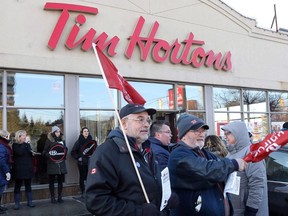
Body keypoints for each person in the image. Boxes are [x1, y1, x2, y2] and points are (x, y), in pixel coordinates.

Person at [86, 104, 178, 216]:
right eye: (140, 120)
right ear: (124, 123)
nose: (146, 124)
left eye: (148, 120)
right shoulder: (106, 153)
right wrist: (138, 212)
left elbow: (152, 184)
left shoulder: (147, 149)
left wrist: (165, 196)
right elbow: (96, 201)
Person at [168, 114, 247, 216]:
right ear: (183, 135)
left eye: (203, 131)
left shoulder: (204, 153)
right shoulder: (178, 155)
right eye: (196, 131)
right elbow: (206, 170)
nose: (201, 134)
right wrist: (234, 164)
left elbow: (219, 167)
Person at [222, 121, 269, 216]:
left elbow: (257, 184)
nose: (225, 137)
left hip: (247, 210)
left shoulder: (252, 153)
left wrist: (251, 210)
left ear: (238, 134)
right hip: (235, 209)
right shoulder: (230, 154)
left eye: (228, 133)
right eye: (225, 134)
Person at [43, 126, 67, 204]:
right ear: (53, 133)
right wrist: (49, 155)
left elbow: (65, 151)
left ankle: (60, 197)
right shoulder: (49, 141)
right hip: (52, 164)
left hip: (61, 164)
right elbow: (44, 152)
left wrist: (65, 149)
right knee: (52, 182)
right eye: (56, 132)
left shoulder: (62, 140)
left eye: (59, 132)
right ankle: (53, 198)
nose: (58, 133)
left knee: (60, 182)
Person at [12, 130, 35, 210]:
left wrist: (32, 153)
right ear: (19, 136)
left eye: (25, 135)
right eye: (24, 135)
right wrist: (24, 144)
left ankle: (30, 202)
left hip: (28, 168)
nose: (25, 137)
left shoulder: (27, 145)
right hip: (19, 169)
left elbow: (29, 155)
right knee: (17, 186)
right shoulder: (15, 145)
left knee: (28, 185)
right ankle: (17, 203)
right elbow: (20, 152)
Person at [71, 127, 97, 198]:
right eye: (84, 131)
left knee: (90, 177)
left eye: (87, 131)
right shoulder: (79, 141)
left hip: (90, 163)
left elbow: (95, 151)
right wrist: (78, 158)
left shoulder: (92, 142)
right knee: (82, 178)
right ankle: (83, 192)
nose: (86, 132)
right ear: (82, 133)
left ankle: (89, 191)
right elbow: (73, 152)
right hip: (82, 163)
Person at [0, 130, 12, 214]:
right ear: (4, 137)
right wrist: (7, 171)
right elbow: (1, 160)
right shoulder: (2, 146)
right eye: (8, 136)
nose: (9, 138)